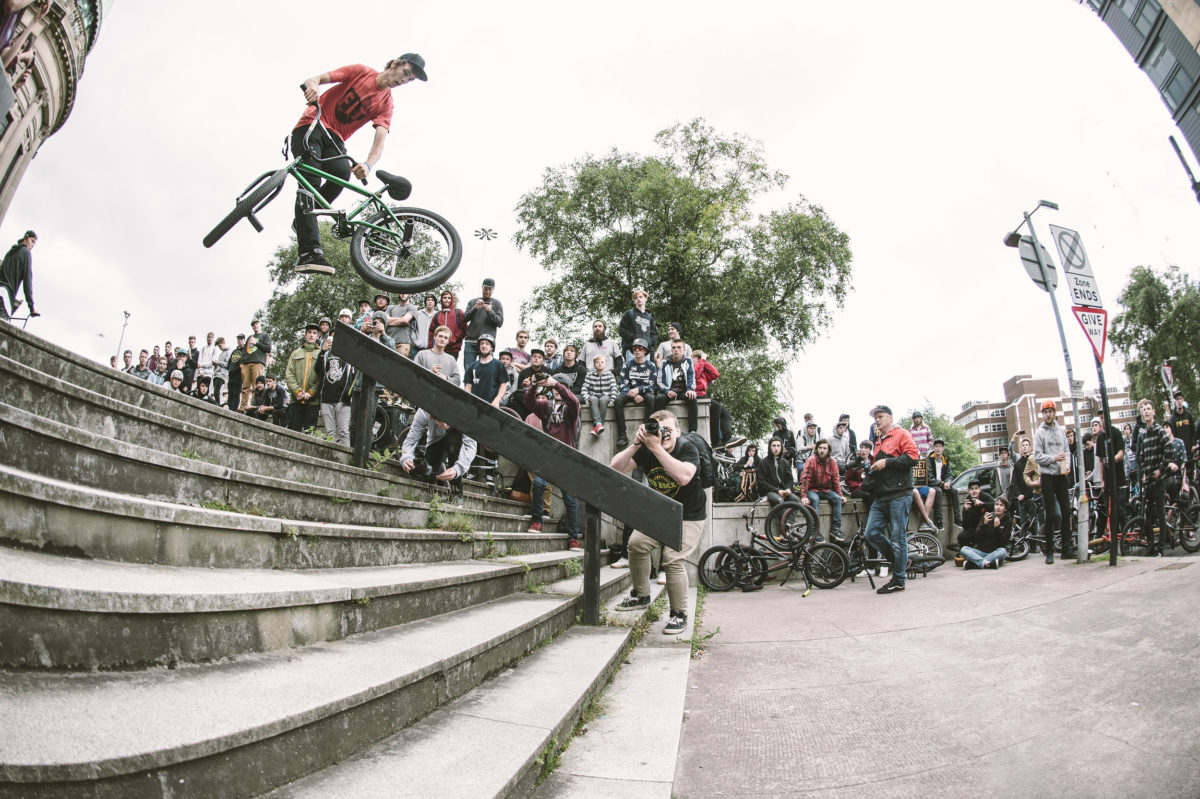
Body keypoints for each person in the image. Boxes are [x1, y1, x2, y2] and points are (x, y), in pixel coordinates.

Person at [291, 54, 427, 275]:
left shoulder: (386, 104)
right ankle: (309, 252)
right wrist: (312, 87)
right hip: (312, 124)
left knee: (342, 174)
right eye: (405, 73)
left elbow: (380, 140)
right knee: (311, 181)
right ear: (395, 63)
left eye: (409, 79)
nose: (404, 80)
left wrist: (368, 164)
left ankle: (304, 218)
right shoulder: (360, 71)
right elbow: (314, 79)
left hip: (335, 140)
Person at [610, 410, 705, 636]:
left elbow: (683, 477)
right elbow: (614, 468)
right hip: (661, 511)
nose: (664, 435)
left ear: (678, 431)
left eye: (668, 430)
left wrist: (656, 448)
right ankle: (641, 594)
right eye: (659, 430)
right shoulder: (646, 449)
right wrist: (635, 444)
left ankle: (679, 613)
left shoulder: (688, 448)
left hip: (689, 514)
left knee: (672, 559)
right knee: (636, 544)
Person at [864, 404, 918, 595]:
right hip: (882, 496)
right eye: (875, 417)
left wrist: (886, 462)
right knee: (870, 533)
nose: (877, 420)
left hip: (899, 494)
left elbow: (913, 457)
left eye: (880, 416)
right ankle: (901, 563)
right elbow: (879, 469)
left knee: (898, 537)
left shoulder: (901, 434)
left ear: (890, 418)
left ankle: (899, 579)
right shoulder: (878, 441)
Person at [524, 373, 581, 547]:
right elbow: (528, 401)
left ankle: (573, 538)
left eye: (561, 387)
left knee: (570, 499)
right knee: (539, 484)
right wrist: (534, 384)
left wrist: (556, 383)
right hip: (548, 455)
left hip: (566, 457)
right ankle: (537, 521)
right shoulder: (546, 405)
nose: (556, 390)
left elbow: (574, 402)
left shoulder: (570, 408)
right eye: (554, 388)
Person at [400, 409, 477, 500]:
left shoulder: (464, 412)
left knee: (453, 443)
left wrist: (457, 469)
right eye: (438, 420)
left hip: (456, 438)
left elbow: (471, 445)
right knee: (429, 472)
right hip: (435, 440)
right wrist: (406, 458)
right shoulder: (423, 412)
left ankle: (457, 493)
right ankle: (437, 477)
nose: (444, 425)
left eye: (447, 421)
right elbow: (411, 439)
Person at [1033, 400, 1073, 563]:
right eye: (1045, 412)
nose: (1048, 415)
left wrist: (1068, 465)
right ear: (1043, 415)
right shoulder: (1040, 433)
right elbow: (1037, 456)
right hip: (1047, 477)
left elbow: (1067, 451)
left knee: (1066, 512)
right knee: (1050, 514)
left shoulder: (1061, 431)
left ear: (1055, 413)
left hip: (1061, 476)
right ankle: (1049, 551)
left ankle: (1066, 549)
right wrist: (1054, 458)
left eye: (1050, 411)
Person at [1136, 398, 1174, 557]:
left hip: (1158, 479)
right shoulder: (1144, 434)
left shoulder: (1159, 430)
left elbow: (1169, 448)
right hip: (1148, 479)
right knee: (1148, 515)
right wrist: (1145, 471)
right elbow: (1142, 455)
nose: (1145, 411)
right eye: (1143, 409)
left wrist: (1161, 469)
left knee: (1160, 513)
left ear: (1153, 412)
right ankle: (1151, 545)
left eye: (1148, 408)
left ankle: (1160, 548)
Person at [613, 338, 659, 448]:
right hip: (630, 392)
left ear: (645, 351)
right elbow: (622, 384)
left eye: (640, 348)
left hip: (644, 391)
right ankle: (622, 435)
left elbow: (653, 385)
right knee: (618, 400)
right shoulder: (627, 365)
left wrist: (639, 389)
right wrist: (634, 395)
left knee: (652, 398)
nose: (637, 350)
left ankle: (646, 431)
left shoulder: (651, 366)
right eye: (634, 348)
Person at [799, 439, 843, 542]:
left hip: (825, 490)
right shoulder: (811, 460)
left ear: (828, 450)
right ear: (816, 449)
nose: (822, 450)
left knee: (837, 499)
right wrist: (804, 496)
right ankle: (816, 530)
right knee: (814, 500)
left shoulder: (832, 462)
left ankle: (835, 530)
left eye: (824, 448)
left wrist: (840, 495)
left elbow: (836, 480)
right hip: (812, 489)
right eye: (820, 448)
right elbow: (805, 479)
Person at [316, 329, 354, 446]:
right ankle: (331, 458)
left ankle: (345, 460)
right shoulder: (326, 354)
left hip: (343, 399)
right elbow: (317, 370)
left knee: (343, 431)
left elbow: (354, 376)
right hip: (327, 399)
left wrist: (349, 394)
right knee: (330, 433)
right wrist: (322, 351)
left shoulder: (349, 354)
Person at [462, 278, 504, 374]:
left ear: (493, 289)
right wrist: (475, 308)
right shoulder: (473, 302)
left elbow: (500, 322)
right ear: (482, 288)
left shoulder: (497, 303)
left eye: (490, 289)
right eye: (486, 289)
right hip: (471, 340)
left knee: (486, 371)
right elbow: (464, 319)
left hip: (487, 342)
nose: (487, 291)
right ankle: (468, 388)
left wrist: (490, 311)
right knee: (469, 369)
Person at [655, 339, 698, 433]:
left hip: (683, 390)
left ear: (684, 350)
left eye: (679, 347)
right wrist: (666, 391)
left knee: (692, 398)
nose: (676, 350)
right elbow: (659, 381)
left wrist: (690, 389)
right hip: (669, 390)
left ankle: (693, 430)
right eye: (674, 347)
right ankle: (659, 427)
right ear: (671, 349)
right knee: (659, 398)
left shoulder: (688, 361)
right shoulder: (664, 362)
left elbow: (691, 377)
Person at [285, 323, 322, 431]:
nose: (311, 335)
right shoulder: (296, 353)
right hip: (296, 400)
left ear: (317, 336)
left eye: (314, 333)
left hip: (312, 402)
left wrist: (310, 393)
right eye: (309, 332)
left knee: (310, 432)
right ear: (305, 335)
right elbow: (289, 374)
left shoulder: (321, 354)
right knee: (293, 431)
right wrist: (297, 391)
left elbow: (322, 377)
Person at [960, 494, 1012, 569]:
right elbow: (977, 537)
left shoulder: (1008, 521)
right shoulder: (987, 516)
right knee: (964, 549)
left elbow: (1003, 542)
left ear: (1005, 509)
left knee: (1003, 552)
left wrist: (997, 528)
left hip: (995, 552)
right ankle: (986, 563)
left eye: (1001, 505)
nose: (998, 507)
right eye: (996, 504)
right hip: (981, 551)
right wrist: (984, 524)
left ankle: (975, 564)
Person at [462, 333, 508, 406]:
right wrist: (468, 400)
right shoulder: (472, 366)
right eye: (481, 344)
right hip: (474, 405)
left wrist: (497, 400)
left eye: (487, 344)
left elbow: (503, 386)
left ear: (492, 347)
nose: (484, 346)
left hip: (491, 405)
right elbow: (468, 386)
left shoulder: (499, 365)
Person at [0, 229, 37, 321]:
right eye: (32, 241)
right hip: (4, 296)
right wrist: (31, 307)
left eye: (34, 244)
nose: (32, 245)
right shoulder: (26, 253)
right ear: (25, 238)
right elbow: (27, 281)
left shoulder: (10, 252)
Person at [580, 354, 617, 436]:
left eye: (602, 362)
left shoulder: (610, 375)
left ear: (606, 365)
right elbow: (584, 389)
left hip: (606, 395)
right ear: (594, 365)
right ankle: (599, 424)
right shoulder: (589, 375)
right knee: (594, 399)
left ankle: (596, 426)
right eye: (597, 362)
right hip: (593, 395)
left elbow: (614, 388)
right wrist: (586, 398)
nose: (600, 363)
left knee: (603, 400)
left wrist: (612, 400)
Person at [928, 438, 961, 531]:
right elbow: (929, 478)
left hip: (943, 483)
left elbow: (949, 474)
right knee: (937, 491)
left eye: (940, 447)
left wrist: (948, 482)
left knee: (954, 491)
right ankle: (939, 520)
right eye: (936, 446)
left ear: (943, 449)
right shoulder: (929, 459)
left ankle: (957, 519)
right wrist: (942, 483)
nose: (938, 448)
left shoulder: (945, 459)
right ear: (933, 448)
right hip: (934, 484)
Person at [618, 289, 658, 364]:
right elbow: (622, 330)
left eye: (640, 297)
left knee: (645, 374)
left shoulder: (650, 318)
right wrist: (635, 338)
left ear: (645, 299)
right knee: (631, 374)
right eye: (636, 298)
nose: (638, 299)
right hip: (631, 350)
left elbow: (654, 335)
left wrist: (649, 342)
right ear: (634, 301)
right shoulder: (629, 314)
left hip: (646, 351)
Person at [957, 479, 993, 550]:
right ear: (968, 491)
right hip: (975, 529)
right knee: (962, 536)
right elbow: (965, 526)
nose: (974, 491)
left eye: (976, 488)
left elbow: (995, 505)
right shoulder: (968, 502)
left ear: (979, 490)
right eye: (971, 489)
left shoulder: (985, 496)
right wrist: (966, 510)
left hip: (987, 527)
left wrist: (983, 504)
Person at [757, 437, 794, 506]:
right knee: (779, 501)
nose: (776, 448)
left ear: (781, 447)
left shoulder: (785, 462)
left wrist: (788, 489)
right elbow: (762, 482)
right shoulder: (763, 462)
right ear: (770, 447)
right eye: (774, 446)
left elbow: (789, 479)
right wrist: (777, 491)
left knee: (795, 501)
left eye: (778, 446)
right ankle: (784, 517)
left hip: (783, 490)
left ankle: (788, 517)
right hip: (769, 491)